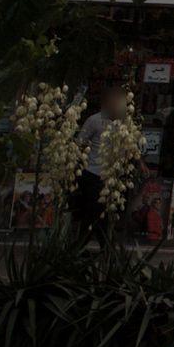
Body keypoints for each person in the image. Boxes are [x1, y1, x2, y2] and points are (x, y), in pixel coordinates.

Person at [72, 84, 125, 237]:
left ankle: (99, 244)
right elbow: (79, 143)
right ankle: (88, 243)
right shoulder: (94, 120)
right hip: (93, 174)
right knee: (94, 213)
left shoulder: (123, 123)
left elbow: (130, 146)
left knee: (102, 213)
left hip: (112, 177)